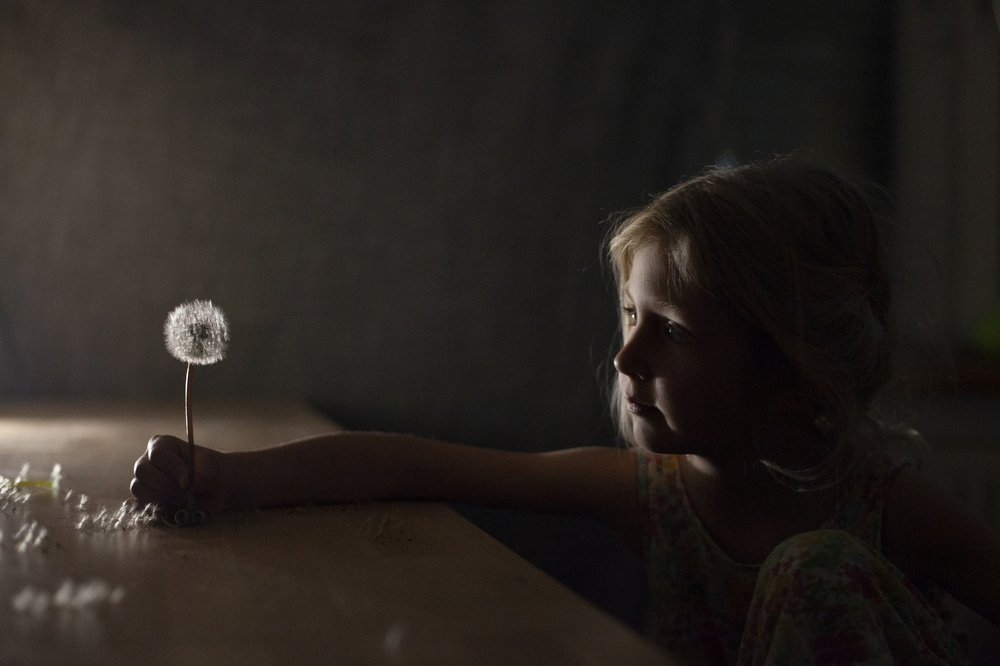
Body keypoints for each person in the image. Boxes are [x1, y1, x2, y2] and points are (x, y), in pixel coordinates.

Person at [131, 156, 1000, 663]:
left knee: (810, 572)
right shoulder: (654, 496)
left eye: (672, 330)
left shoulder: (881, 508)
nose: (626, 358)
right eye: (628, 317)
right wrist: (227, 476)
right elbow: (408, 462)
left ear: (784, 364)